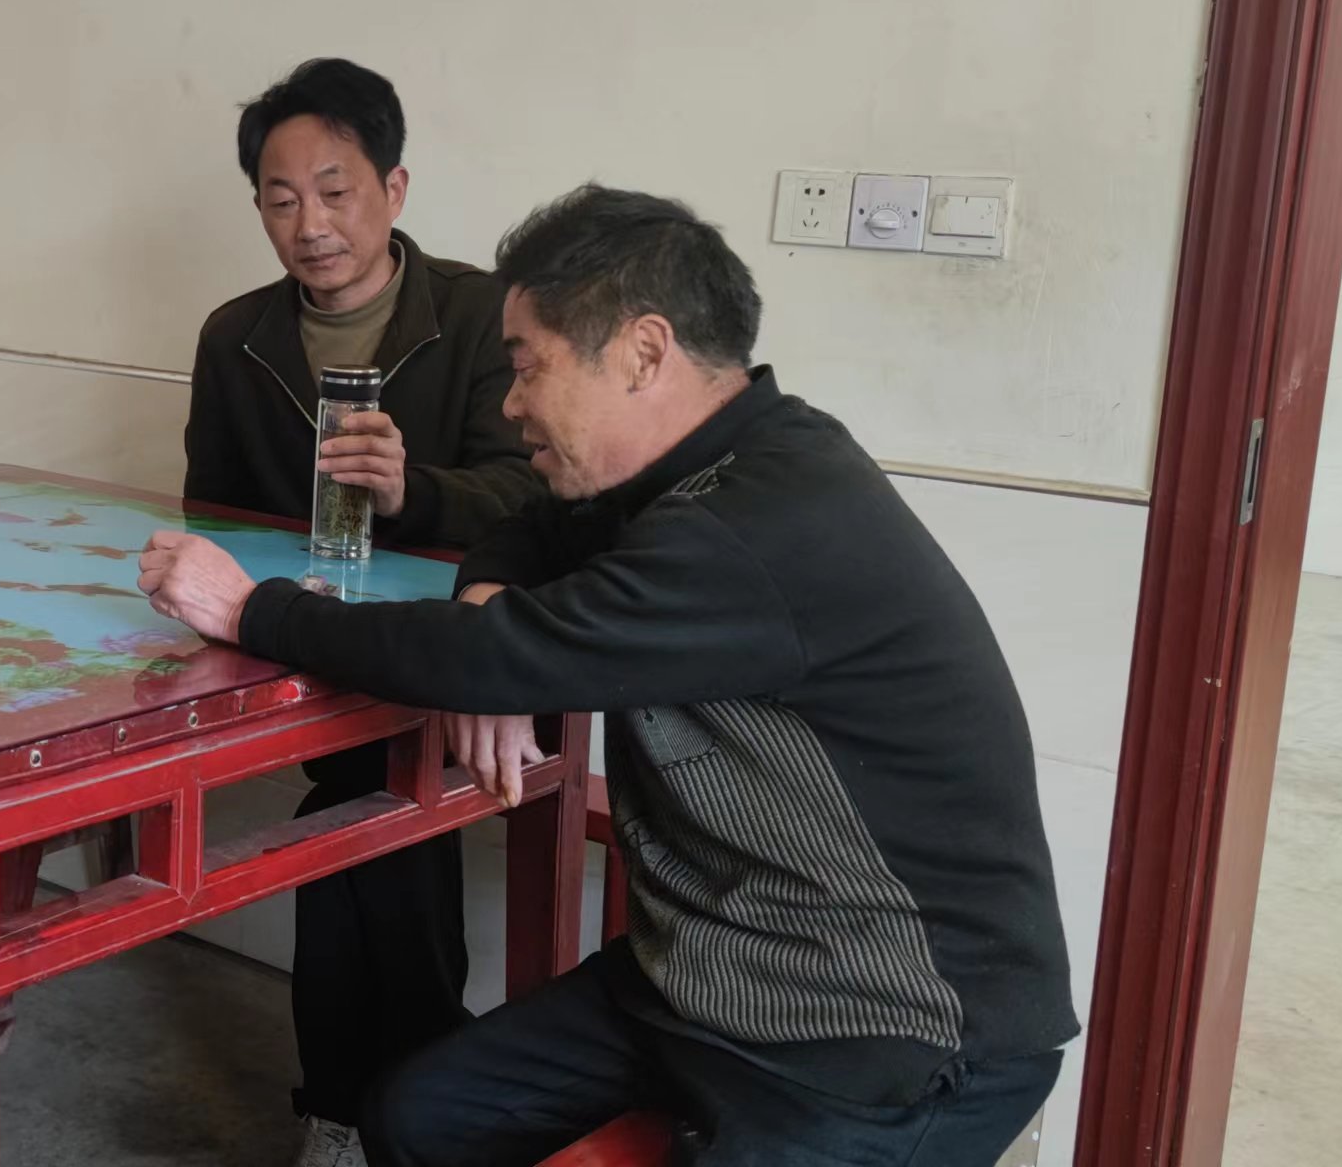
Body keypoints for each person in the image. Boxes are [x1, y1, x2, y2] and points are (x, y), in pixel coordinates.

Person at [138, 184, 1075, 1166]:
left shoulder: (763, 519)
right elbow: (529, 526)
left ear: (643, 352)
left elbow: (500, 655)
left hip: (880, 1036)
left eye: (525, 365)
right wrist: (488, 605)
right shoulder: (697, 469)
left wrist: (252, 610)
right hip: (707, 973)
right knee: (418, 1115)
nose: (511, 403)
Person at [182, 57, 543, 1167]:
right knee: (365, 799)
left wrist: (411, 493)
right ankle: (411, 1108)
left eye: (335, 192)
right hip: (309, 649)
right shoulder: (236, 334)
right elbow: (212, 508)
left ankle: (355, 1110)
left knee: (363, 804)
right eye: (281, 199)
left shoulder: (480, 314)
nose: (311, 225)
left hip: (465, 647)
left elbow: (536, 494)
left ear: (394, 188)